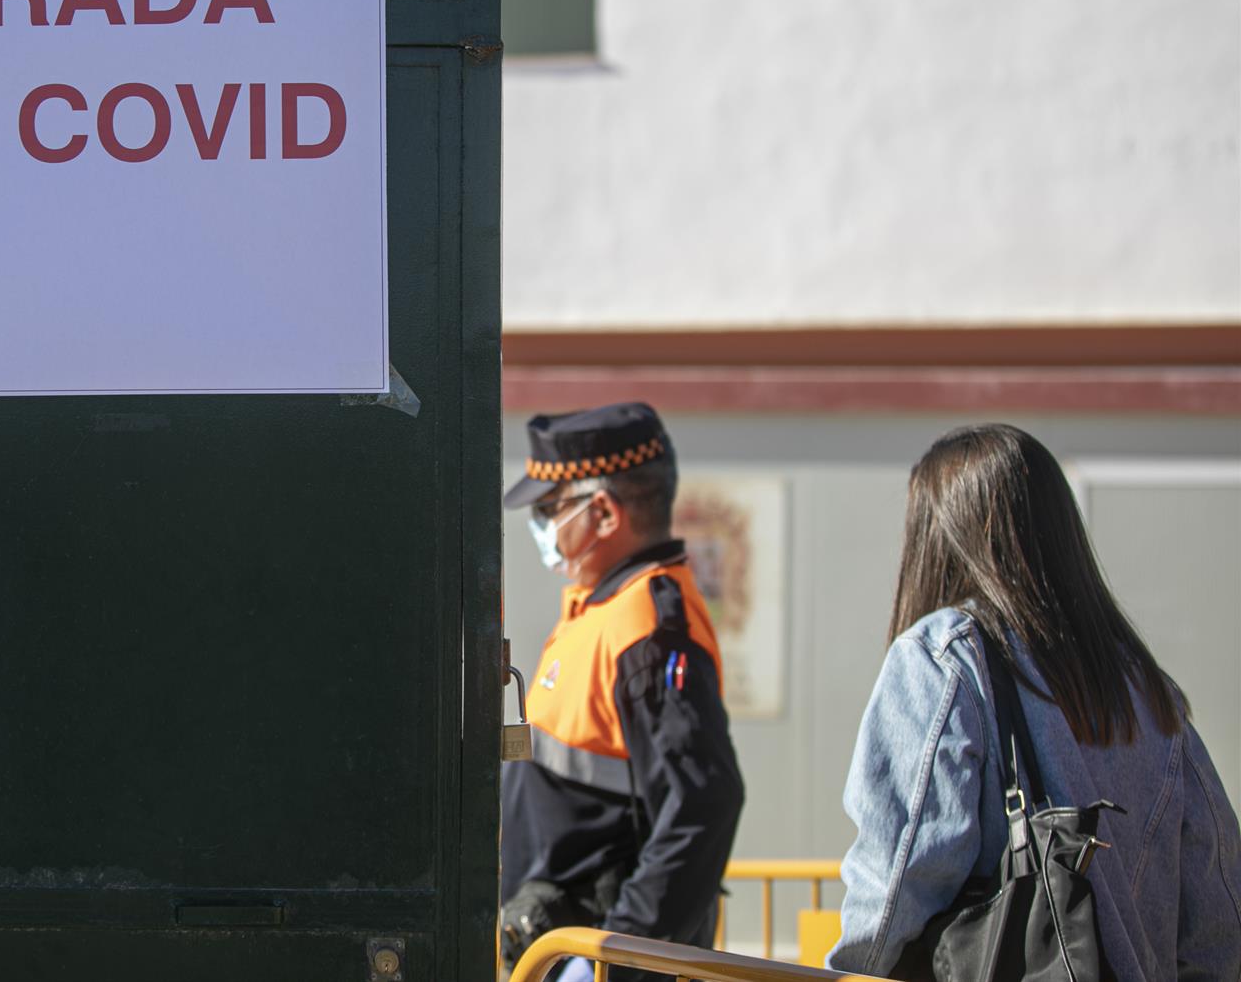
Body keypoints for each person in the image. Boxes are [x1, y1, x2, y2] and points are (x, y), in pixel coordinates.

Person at [831, 423, 1240, 979]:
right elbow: (1218, 915)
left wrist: (846, 975)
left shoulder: (945, 655)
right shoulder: (1148, 689)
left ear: (934, 539)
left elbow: (899, 882)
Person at [499, 403, 745, 979]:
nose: (542, 525)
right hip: (555, 947)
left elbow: (703, 806)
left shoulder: (650, 631)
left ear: (604, 513)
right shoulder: (603, 611)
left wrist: (618, 956)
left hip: (595, 956)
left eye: (550, 508)